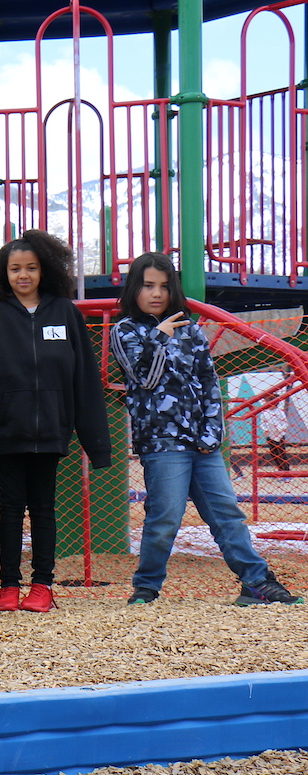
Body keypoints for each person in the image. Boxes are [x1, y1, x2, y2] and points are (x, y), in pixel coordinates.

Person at [111, 252, 302, 607]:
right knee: (165, 517)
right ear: (134, 288)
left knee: (226, 512)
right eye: (148, 285)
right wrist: (159, 336)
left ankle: (257, 583)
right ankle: (147, 589)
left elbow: (208, 382)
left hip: (203, 441)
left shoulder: (191, 330)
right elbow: (144, 379)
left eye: (165, 287)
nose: (157, 293)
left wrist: (213, 431)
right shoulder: (125, 331)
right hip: (162, 441)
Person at [0, 230, 111, 613]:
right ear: (2, 273)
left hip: (52, 431)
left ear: (45, 270)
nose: (22, 275)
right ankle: (9, 586)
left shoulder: (65, 313)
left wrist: (95, 441)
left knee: (43, 507)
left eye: (31, 268)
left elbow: (84, 380)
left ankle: (42, 585)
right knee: (10, 507)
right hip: (6, 431)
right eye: (14, 269)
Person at [260, 397, 293, 472]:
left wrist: (279, 429)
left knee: (281, 453)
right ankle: (280, 469)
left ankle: (286, 471)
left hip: (279, 435)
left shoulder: (280, 412)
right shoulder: (265, 412)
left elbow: (285, 423)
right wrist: (265, 429)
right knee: (273, 453)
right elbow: (262, 423)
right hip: (270, 435)